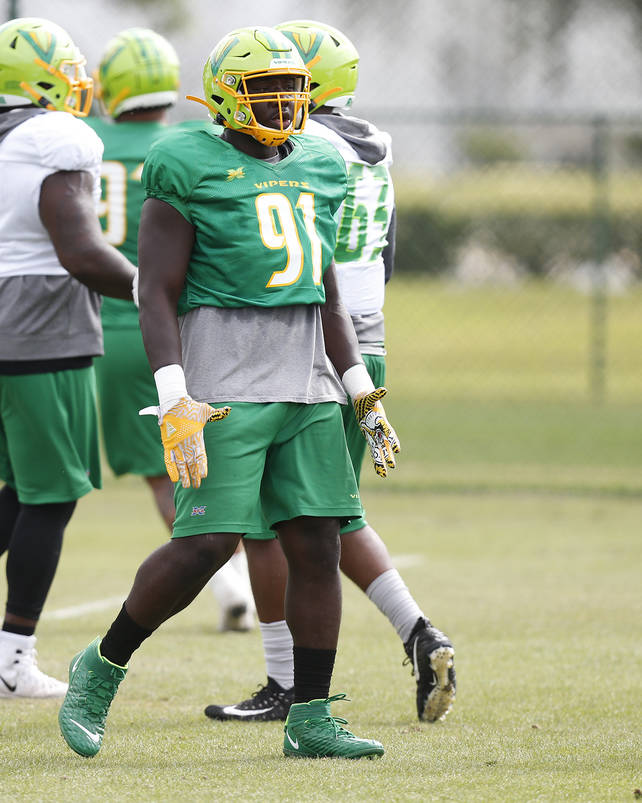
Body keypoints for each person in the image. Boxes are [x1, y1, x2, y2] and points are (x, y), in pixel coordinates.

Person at [59, 26, 398, 760]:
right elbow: (156, 290)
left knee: (315, 542)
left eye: (290, 88)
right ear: (222, 95)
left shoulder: (321, 163)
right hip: (224, 381)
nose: (282, 103)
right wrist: (175, 391)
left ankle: (311, 715)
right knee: (206, 544)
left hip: (307, 381)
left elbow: (326, 294)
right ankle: (101, 666)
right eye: (264, 90)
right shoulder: (186, 161)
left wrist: (361, 391)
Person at [202, 20, 455, 726]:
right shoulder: (375, 144)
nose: (275, 93)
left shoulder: (303, 149)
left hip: (307, 335)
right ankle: (417, 631)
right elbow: (389, 250)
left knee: (274, 519)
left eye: (285, 79)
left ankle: (287, 680)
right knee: (330, 513)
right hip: (363, 339)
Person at [0, 16, 137, 699]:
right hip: (44, 334)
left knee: (24, 484)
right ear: (37, 80)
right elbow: (80, 251)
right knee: (55, 493)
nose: (76, 85)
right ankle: (12, 658)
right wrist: (157, 289)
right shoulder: (54, 139)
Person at [87, 27, 256, 634]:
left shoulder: (84, 139)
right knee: (220, 460)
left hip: (109, 326)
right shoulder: (196, 142)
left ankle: (232, 584)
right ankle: (239, 582)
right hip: (185, 325)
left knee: (167, 472)